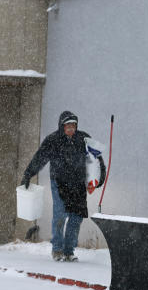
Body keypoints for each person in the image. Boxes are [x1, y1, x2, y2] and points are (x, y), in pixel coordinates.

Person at [21, 110, 105, 262]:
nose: (71, 128)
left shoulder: (83, 139)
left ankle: (69, 251)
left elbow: (96, 158)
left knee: (76, 218)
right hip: (59, 182)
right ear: (62, 126)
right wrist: (28, 174)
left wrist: (99, 178)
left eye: (73, 125)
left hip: (78, 184)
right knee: (60, 215)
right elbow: (40, 158)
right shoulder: (53, 140)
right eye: (68, 125)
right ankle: (57, 250)